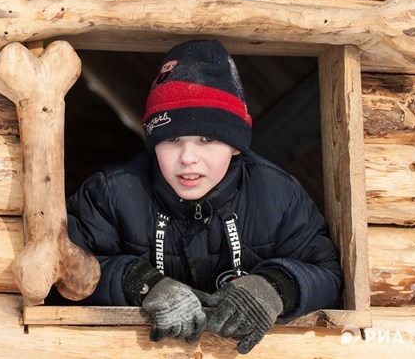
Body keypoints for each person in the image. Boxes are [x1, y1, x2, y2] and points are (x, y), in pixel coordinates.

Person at [60, 39, 342, 354]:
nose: (188, 157)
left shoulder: (277, 194)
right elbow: (66, 267)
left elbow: (328, 274)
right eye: (172, 140)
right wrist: (141, 283)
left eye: (207, 139)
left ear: (236, 145)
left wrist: (275, 287)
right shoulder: (112, 193)